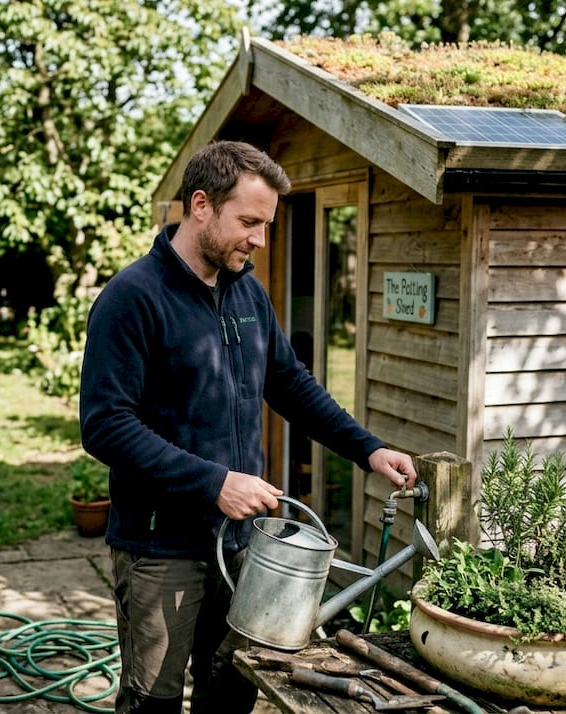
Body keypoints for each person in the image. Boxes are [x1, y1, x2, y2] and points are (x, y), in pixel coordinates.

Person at [79, 140, 417, 714]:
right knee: (151, 703)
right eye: (250, 222)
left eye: (266, 224)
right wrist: (215, 482)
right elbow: (105, 426)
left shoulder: (248, 293)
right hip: (162, 549)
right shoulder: (133, 298)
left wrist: (368, 450)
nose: (259, 239)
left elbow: (290, 385)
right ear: (202, 205)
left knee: (232, 690)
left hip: (242, 547)